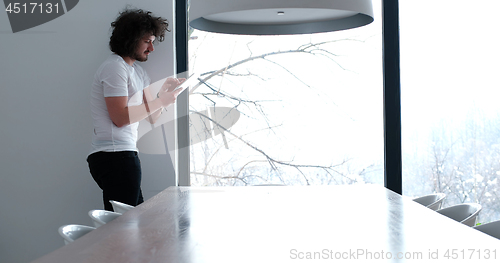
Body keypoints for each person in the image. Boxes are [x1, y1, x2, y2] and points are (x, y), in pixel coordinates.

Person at [87, 8, 183, 211]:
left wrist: (163, 94)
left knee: (129, 223)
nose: (152, 48)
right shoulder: (114, 67)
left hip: (125, 154)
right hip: (114, 155)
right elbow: (120, 118)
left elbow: (152, 117)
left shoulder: (137, 72)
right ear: (131, 38)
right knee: (124, 227)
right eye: (147, 41)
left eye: (153, 42)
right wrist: (161, 102)